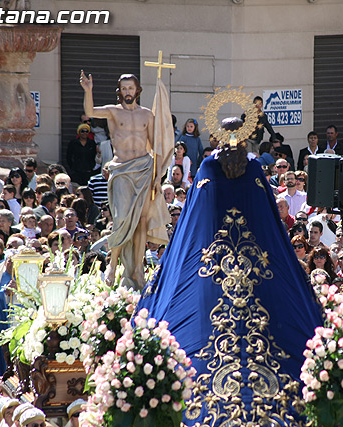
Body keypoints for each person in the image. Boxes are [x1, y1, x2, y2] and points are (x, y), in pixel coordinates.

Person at [134, 115, 322, 425]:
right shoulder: (245, 168)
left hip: (217, 263)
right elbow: (269, 223)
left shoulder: (215, 166)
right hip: (244, 266)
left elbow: (193, 220)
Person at [81, 71, 171, 289]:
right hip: (121, 169)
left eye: (131, 88)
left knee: (141, 221)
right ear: (119, 91)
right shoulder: (113, 112)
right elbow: (90, 111)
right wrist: (88, 91)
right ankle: (112, 264)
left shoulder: (147, 115)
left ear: (137, 90)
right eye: (124, 88)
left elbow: (155, 147)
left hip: (144, 168)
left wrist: (158, 176)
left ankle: (138, 269)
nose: (127, 92)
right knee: (121, 218)